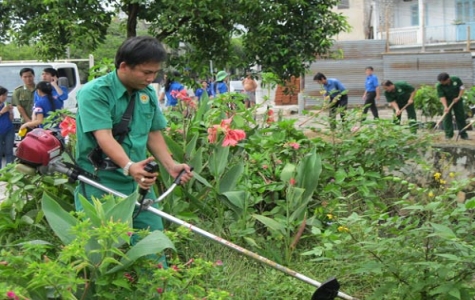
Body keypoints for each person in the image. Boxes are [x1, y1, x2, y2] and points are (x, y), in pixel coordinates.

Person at [74, 36, 193, 264]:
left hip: (138, 185)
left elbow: (152, 133)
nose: (150, 79)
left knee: (152, 249)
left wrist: (171, 165)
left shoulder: (146, 94)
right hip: (101, 184)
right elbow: (104, 136)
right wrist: (129, 166)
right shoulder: (95, 92)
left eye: (154, 73)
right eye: (145, 72)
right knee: (103, 255)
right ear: (124, 66)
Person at [437, 72, 469, 140]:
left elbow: (462, 88)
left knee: (460, 116)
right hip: (447, 101)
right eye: (440, 82)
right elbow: (442, 97)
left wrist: (459, 97)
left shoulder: (456, 79)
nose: (441, 83)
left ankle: (463, 134)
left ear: (448, 79)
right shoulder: (439, 86)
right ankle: (448, 135)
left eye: (443, 81)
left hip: (457, 99)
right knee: (447, 117)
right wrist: (445, 107)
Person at [0, 87, 14, 169]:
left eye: (5, 95)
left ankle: (10, 171)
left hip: (9, 129)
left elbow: (11, 119)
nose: (5, 97)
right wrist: (2, 111)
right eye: (3, 95)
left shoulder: (5, 105)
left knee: (9, 151)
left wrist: (10, 112)